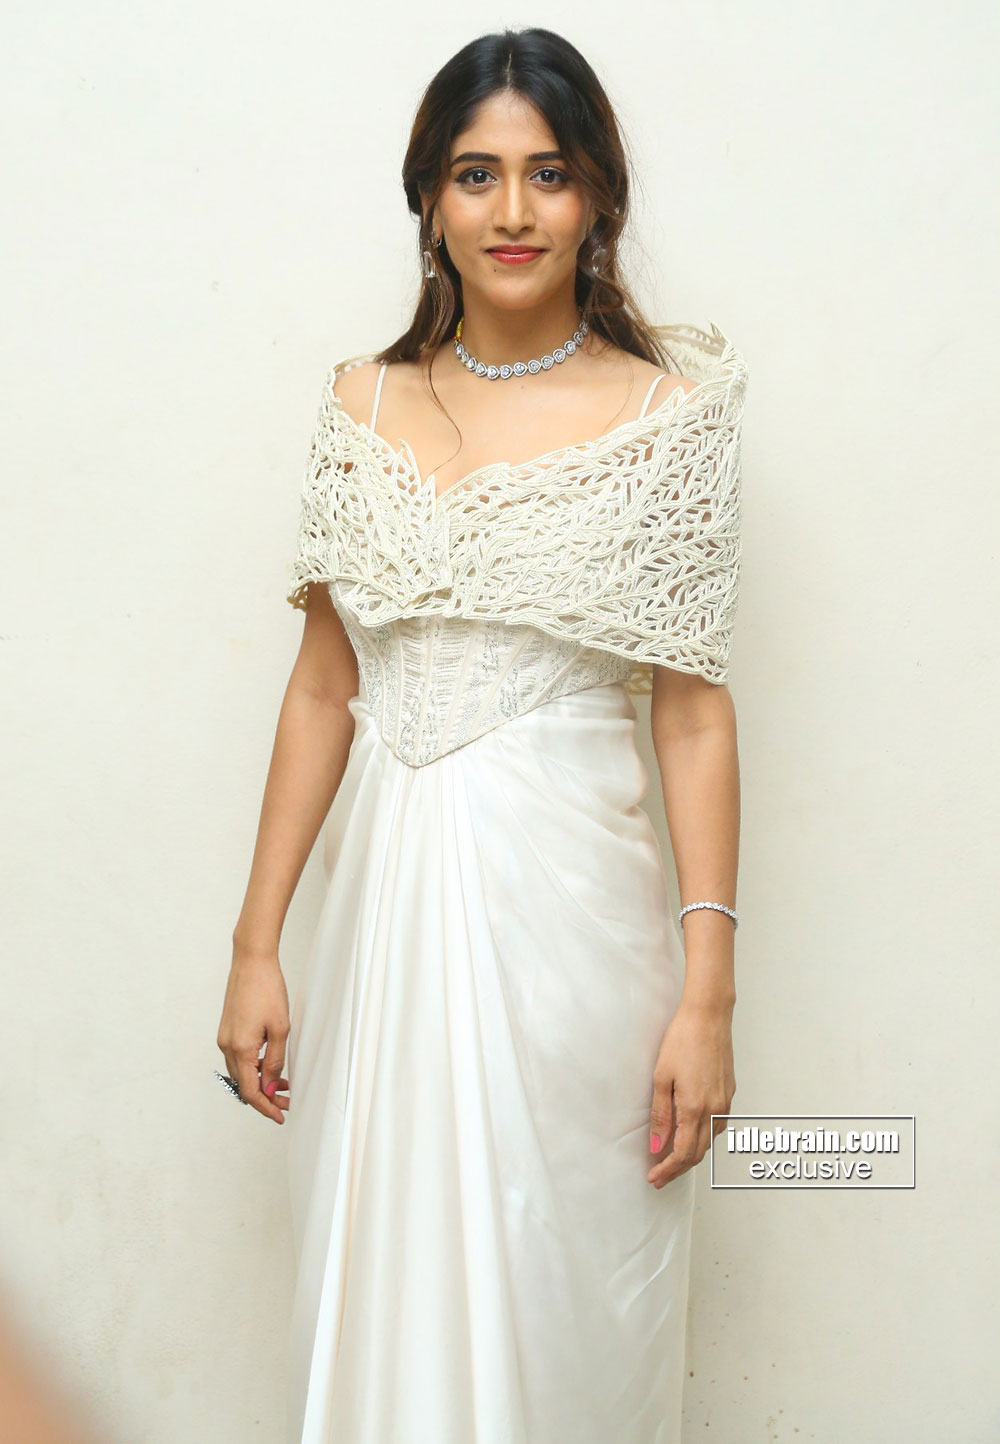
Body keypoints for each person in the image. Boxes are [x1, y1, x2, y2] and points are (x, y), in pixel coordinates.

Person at [216, 25, 747, 1444]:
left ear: (598, 199)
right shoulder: (361, 403)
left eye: (549, 174)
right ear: (429, 200)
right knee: (386, 1287)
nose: (514, 211)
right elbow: (322, 685)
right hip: (384, 921)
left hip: (575, 929)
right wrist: (257, 943)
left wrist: (708, 995)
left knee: (556, 1302)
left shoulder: (667, 418)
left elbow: (694, 711)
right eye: (476, 174)